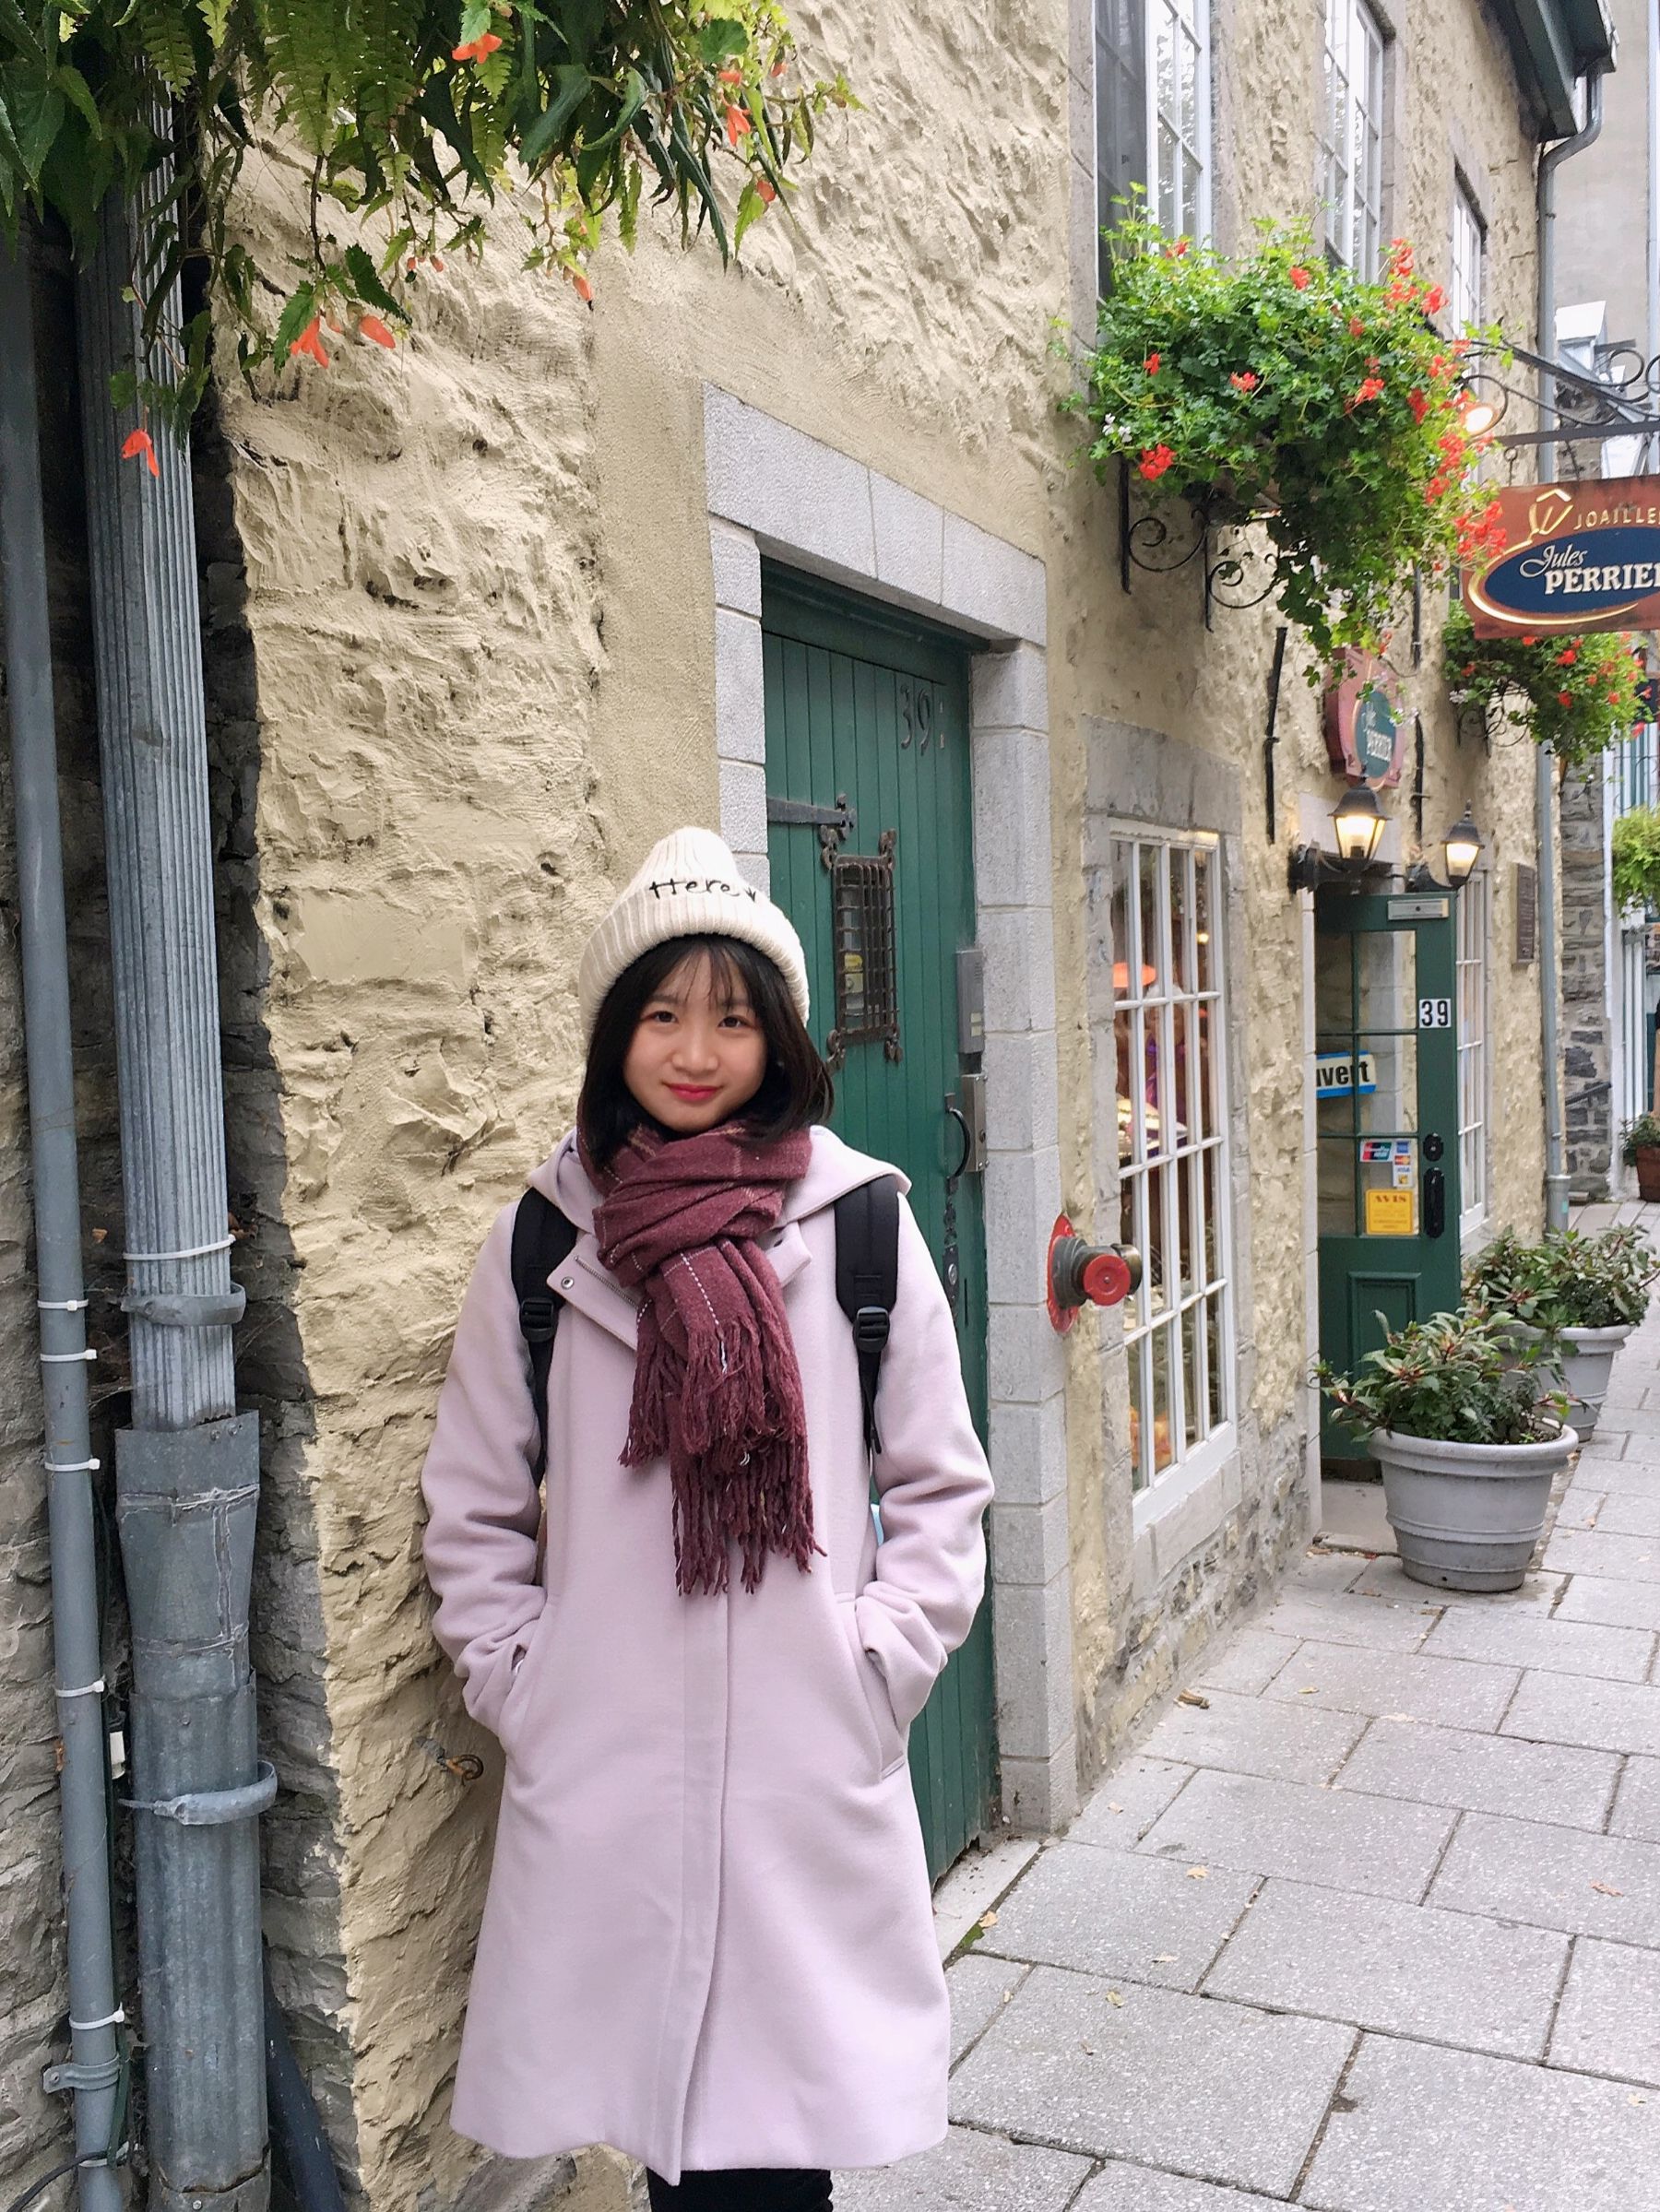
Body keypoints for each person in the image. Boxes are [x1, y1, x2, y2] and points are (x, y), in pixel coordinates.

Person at [421, 827, 994, 2211]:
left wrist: (876, 1667)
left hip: (805, 1760)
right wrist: (524, 1680)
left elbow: (938, 1485)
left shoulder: (860, 1225)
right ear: (614, 1033)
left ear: (777, 1038)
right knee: (660, 2141)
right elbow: (476, 1497)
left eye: (732, 1019)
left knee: (782, 2156)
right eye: (662, 1015)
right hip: (608, 1766)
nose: (695, 1052)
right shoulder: (547, 1243)